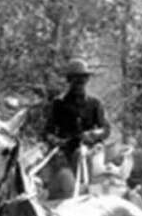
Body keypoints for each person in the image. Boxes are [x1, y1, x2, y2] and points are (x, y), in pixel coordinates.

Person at [43, 58, 109, 200]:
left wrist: (93, 134)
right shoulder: (58, 103)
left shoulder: (95, 103)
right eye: (76, 80)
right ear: (69, 80)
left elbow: (105, 129)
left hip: (89, 149)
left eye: (83, 79)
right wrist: (58, 141)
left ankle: (92, 194)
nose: (80, 83)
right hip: (65, 149)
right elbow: (48, 131)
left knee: (87, 160)